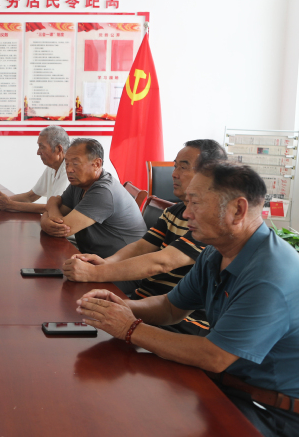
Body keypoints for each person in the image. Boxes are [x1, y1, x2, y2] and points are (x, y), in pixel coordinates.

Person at [77, 161, 299, 436]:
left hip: (270, 411)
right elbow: (170, 307)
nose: (186, 213)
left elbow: (214, 356)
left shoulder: (270, 274)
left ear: (238, 210)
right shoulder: (215, 253)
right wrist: (119, 306)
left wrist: (129, 328)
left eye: (195, 203)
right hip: (225, 386)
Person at [63, 139, 227, 333]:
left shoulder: (211, 222)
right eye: (175, 166)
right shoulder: (174, 211)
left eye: (183, 167)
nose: (174, 174)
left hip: (178, 323)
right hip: (146, 305)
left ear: (211, 174)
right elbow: (141, 247)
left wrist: (94, 273)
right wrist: (106, 263)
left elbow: (162, 262)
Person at [42, 138, 146, 261]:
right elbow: (58, 218)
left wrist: (51, 205)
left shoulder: (103, 191)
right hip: (94, 256)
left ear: (97, 164)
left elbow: (61, 229)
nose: (69, 169)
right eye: (67, 164)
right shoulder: (80, 183)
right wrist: (49, 212)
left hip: (121, 265)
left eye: (75, 163)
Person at [0, 125, 69, 213]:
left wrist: (9, 204)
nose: (38, 152)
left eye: (42, 147)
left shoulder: (69, 172)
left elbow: (54, 209)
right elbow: (31, 196)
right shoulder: (52, 167)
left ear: (58, 149)